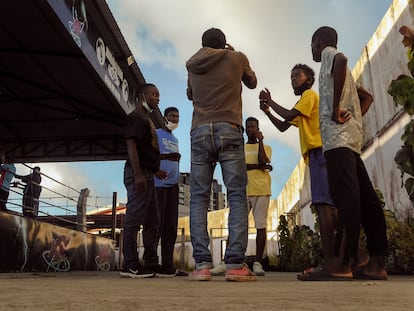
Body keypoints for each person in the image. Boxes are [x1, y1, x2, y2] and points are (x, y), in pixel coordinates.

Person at [299, 26, 388, 281]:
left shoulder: (331, 56)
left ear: (318, 42)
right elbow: (367, 98)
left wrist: (336, 107)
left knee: (346, 199)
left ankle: (339, 263)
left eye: (311, 44)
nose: (313, 50)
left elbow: (341, 59)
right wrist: (352, 120)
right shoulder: (346, 76)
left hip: (338, 142)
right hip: (351, 140)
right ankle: (376, 262)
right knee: (367, 199)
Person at [186, 27, 257, 281]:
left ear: (203, 45)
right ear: (224, 44)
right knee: (236, 195)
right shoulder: (236, 57)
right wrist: (232, 54)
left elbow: (190, 95)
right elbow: (252, 82)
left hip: (200, 130)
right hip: (229, 128)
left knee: (198, 199)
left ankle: (202, 266)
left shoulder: (193, 64)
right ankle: (236, 264)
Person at [259, 64, 337, 275]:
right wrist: (268, 111)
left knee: (323, 206)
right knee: (325, 207)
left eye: (297, 76)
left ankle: (331, 263)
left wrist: (270, 101)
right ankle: (335, 260)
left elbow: (289, 113)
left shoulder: (309, 96)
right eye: (291, 76)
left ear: (308, 80)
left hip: (320, 153)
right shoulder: (304, 101)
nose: (293, 79)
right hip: (316, 156)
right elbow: (284, 125)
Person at [120, 83, 161, 278]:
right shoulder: (136, 117)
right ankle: (130, 264)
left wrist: (156, 170)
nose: (157, 98)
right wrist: (137, 173)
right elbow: (131, 145)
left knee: (153, 221)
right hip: (139, 174)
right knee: (134, 219)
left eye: (158, 95)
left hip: (149, 174)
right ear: (142, 96)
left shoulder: (147, 119)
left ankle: (151, 262)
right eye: (153, 94)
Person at [151, 106, 181, 277]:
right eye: (172, 116)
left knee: (170, 227)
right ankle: (152, 263)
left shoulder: (175, 139)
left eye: (177, 116)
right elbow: (147, 153)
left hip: (173, 187)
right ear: (164, 117)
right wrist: (155, 170)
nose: (175, 119)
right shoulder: (156, 133)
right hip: (158, 186)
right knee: (157, 225)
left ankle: (167, 265)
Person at [245, 117, 272, 276]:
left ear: (258, 128)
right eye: (248, 127)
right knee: (238, 226)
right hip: (243, 190)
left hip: (261, 190)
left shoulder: (266, 147)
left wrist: (260, 141)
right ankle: (232, 260)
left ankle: (258, 262)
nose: (251, 129)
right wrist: (260, 167)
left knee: (260, 226)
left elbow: (263, 159)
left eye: (253, 127)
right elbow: (241, 166)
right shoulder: (240, 148)